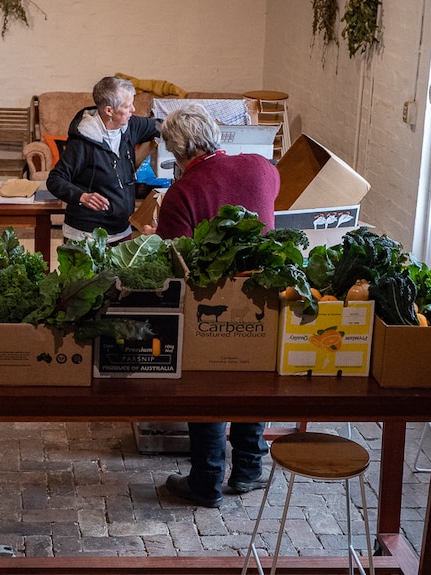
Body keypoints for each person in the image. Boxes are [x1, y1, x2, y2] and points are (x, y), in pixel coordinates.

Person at [153, 103, 279, 508]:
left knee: (206, 385)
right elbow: (268, 201)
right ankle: (248, 471)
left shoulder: (181, 193)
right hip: (262, 295)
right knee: (252, 379)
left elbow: (176, 258)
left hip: (213, 300)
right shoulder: (262, 167)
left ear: (179, 152)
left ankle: (206, 482)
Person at [47, 76, 160, 244]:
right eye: (127, 106)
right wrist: (82, 196)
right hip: (86, 236)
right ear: (109, 111)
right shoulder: (82, 142)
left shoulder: (130, 126)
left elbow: (160, 127)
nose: (133, 109)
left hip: (122, 230)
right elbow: (55, 180)